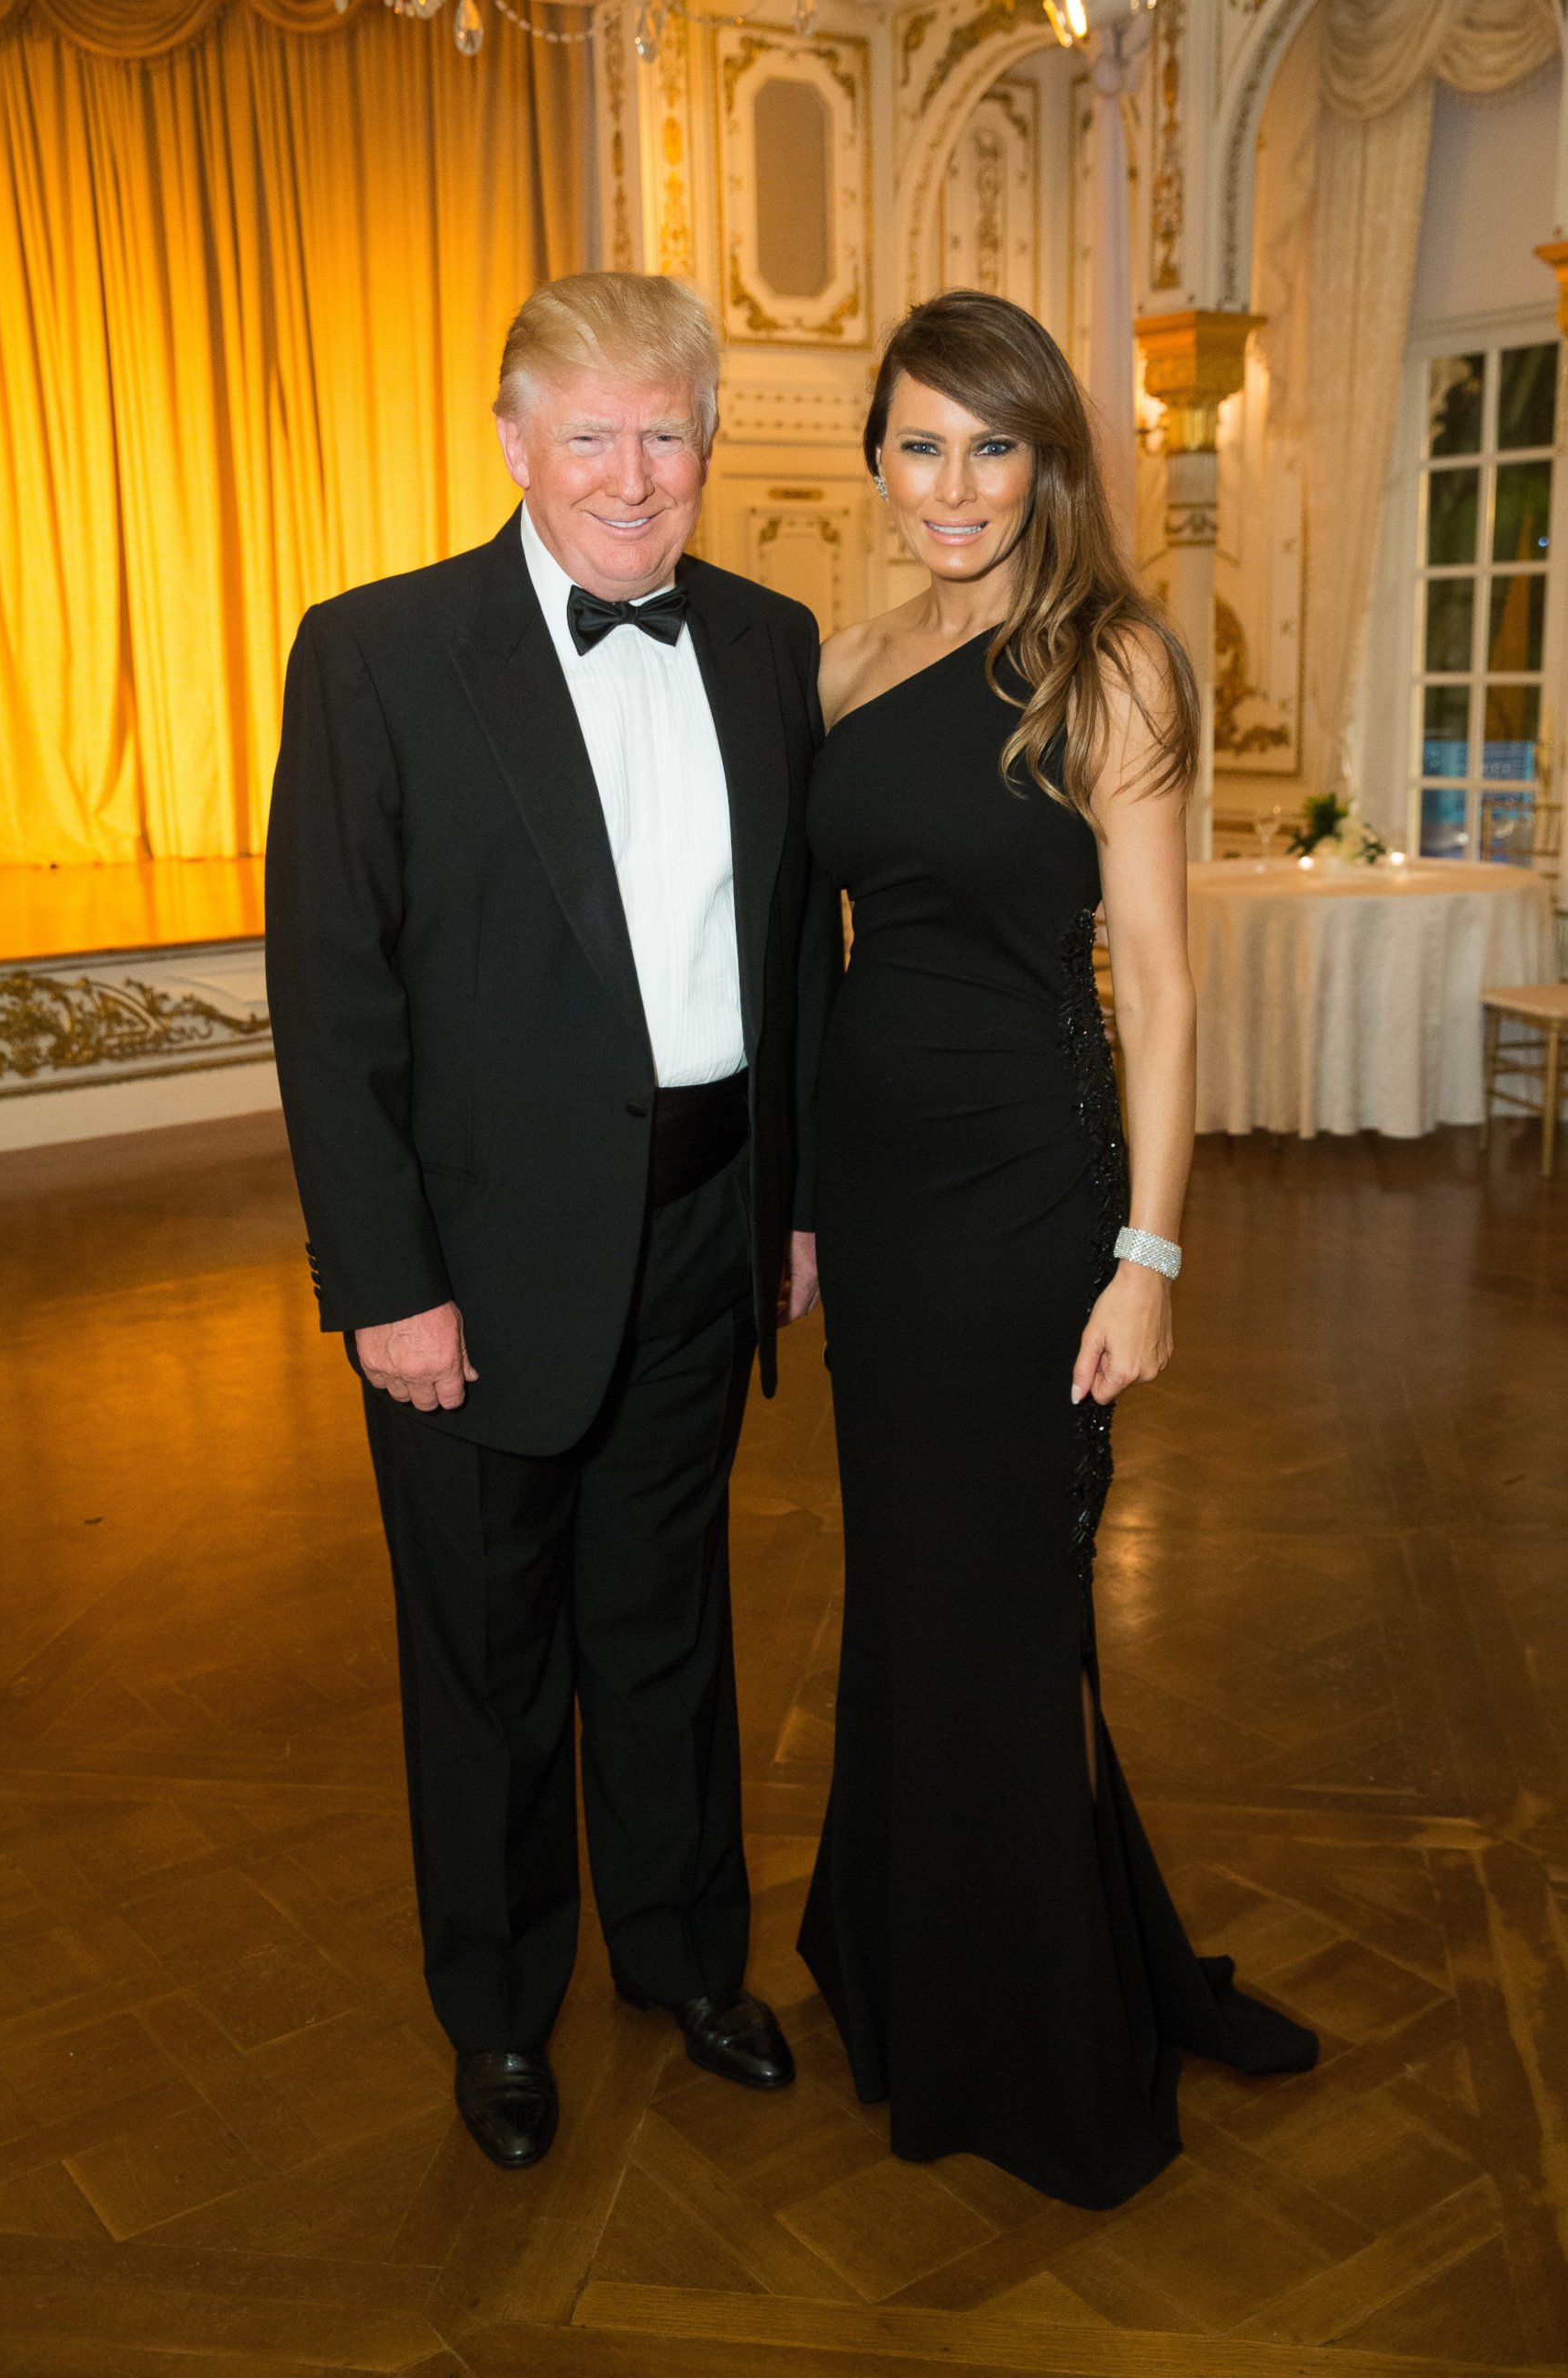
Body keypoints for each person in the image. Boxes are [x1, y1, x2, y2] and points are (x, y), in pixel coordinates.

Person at [265, 272, 838, 2173]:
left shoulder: (767, 642)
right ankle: (499, 2016)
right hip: (478, 1269)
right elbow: (333, 1003)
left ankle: (683, 1955)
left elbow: (793, 965)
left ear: (706, 445)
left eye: (665, 430)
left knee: (668, 1628)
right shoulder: (376, 656)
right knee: (489, 1659)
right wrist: (388, 1287)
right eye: (587, 432)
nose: (631, 472)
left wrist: (791, 1207)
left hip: (701, 1236)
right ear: (510, 443)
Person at [796, 289, 1317, 2210]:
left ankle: (1035, 2032)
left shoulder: (1113, 666)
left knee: (1008, 1612)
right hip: (876, 1195)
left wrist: (1150, 1255)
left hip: (1029, 1199)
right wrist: (795, 1209)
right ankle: (911, 1963)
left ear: (1050, 464)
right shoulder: (849, 662)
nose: (953, 484)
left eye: (991, 445)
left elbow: (1164, 995)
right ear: (876, 455)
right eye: (920, 442)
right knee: (908, 1600)